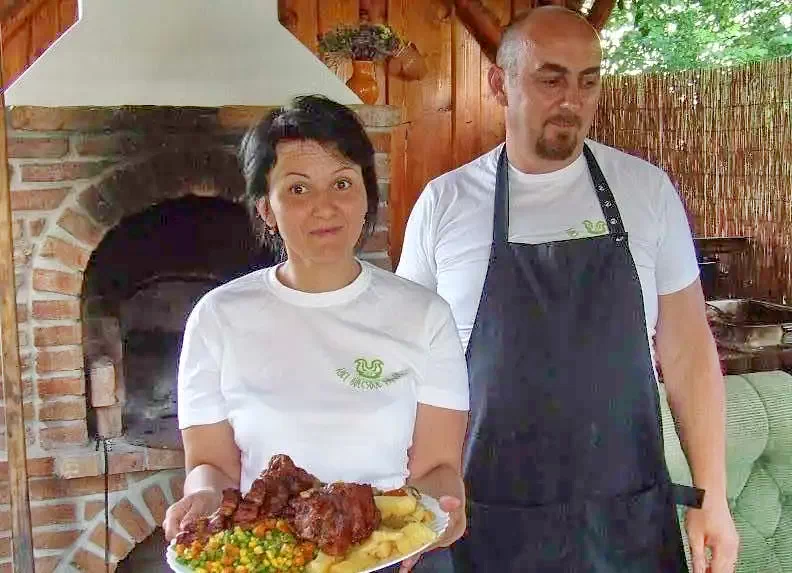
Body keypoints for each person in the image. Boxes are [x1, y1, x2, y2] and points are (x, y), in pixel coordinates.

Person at [396, 7, 739, 573]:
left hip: (624, 517)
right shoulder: (446, 204)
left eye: (588, 81)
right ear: (499, 84)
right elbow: (410, 370)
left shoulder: (645, 191)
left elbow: (688, 352)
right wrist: (409, 504)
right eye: (550, 79)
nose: (572, 101)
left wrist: (713, 498)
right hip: (483, 520)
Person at [162, 95, 469, 573]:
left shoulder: (424, 316)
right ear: (266, 208)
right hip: (273, 554)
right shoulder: (218, 317)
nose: (325, 208)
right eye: (299, 190)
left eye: (342, 183)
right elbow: (211, 465)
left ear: (367, 195)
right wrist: (201, 498)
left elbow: (437, 467)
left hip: (389, 557)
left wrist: (440, 512)